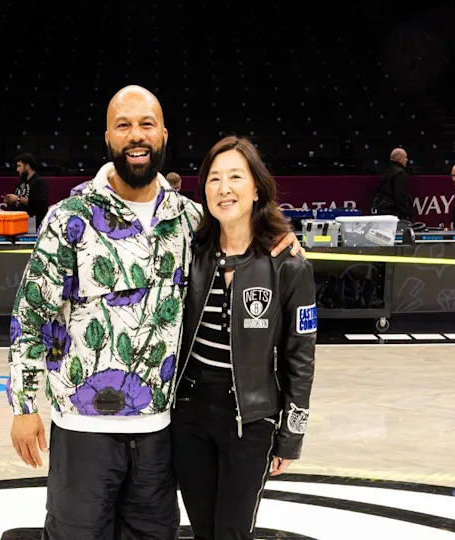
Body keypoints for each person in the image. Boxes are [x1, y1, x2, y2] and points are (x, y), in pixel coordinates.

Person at [7, 85, 303, 539]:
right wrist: (24, 406)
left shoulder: (190, 220)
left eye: (146, 124)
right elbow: (31, 315)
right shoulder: (69, 218)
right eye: (123, 126)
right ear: (108, 137)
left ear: (163, 134)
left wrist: (280, 240)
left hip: (161, 430)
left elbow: (244, 231)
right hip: (83, 427)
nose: (136, 136)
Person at [173, 136, 316, 540]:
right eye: (214, 178)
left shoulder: (289, 265)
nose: (224, 188)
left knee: (232, 532)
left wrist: (292, 435)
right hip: (189, 414)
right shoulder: (191, 251)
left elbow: (301, 357)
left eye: (236, 176)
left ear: (257, 189)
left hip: (250, 419)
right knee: (203, 530)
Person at [3, 153, 49, 231]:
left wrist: (18, 198)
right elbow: (18, 202)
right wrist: (10, 201)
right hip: (18, 222)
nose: (17, 169)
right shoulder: (20, 183)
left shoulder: (39, 182)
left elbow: (39, 203)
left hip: (34, 224)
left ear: (27, 166)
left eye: (19, 166)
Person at [370, 147, 412, 221]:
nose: (407, 160)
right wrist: (407, 213)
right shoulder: (400, 173)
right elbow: (400, 197)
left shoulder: (387, 171)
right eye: (405, 157)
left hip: (383, 210)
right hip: (393, 212)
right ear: (399, 158)